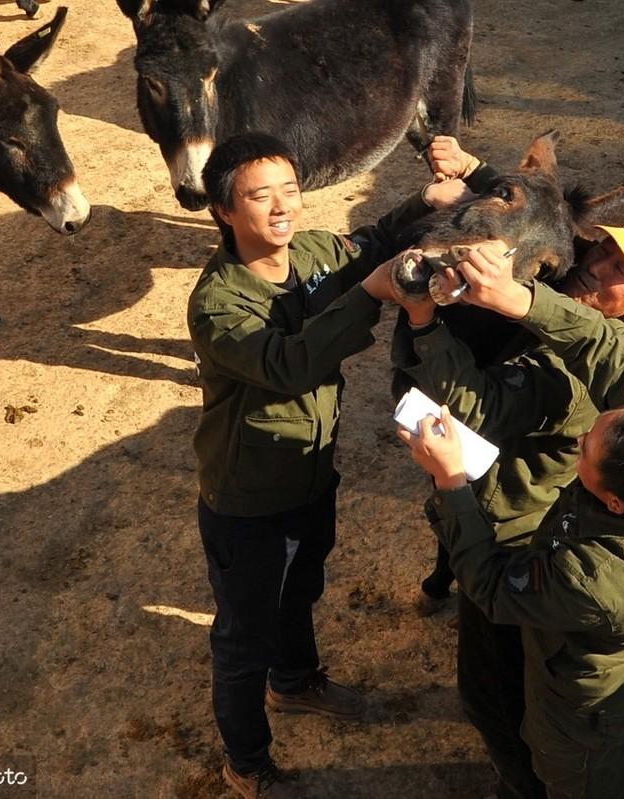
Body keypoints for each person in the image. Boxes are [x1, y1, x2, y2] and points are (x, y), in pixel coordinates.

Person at [385, 137, 624, 799]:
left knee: (492, 696)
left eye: (619, 270)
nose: (595, 263)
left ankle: (520, 783)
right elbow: (583, 327)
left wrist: (420, 317)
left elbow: (476, 403)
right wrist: (481, 174)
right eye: (604, 246)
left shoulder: (573, 389)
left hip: (505, 532)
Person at [187, 131, 469, 799]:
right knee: (241, 640)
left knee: (300, 587)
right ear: (225, 210)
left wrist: (421, 201)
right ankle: (247, 763)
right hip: (247, 499)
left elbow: (364, 247)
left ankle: (296, 681)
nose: (283, 206)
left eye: (291, 189)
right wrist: (370, 296)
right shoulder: (219, 303)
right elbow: (287, 363)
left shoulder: (307, 252)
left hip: (310, 474)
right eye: (261, 195)